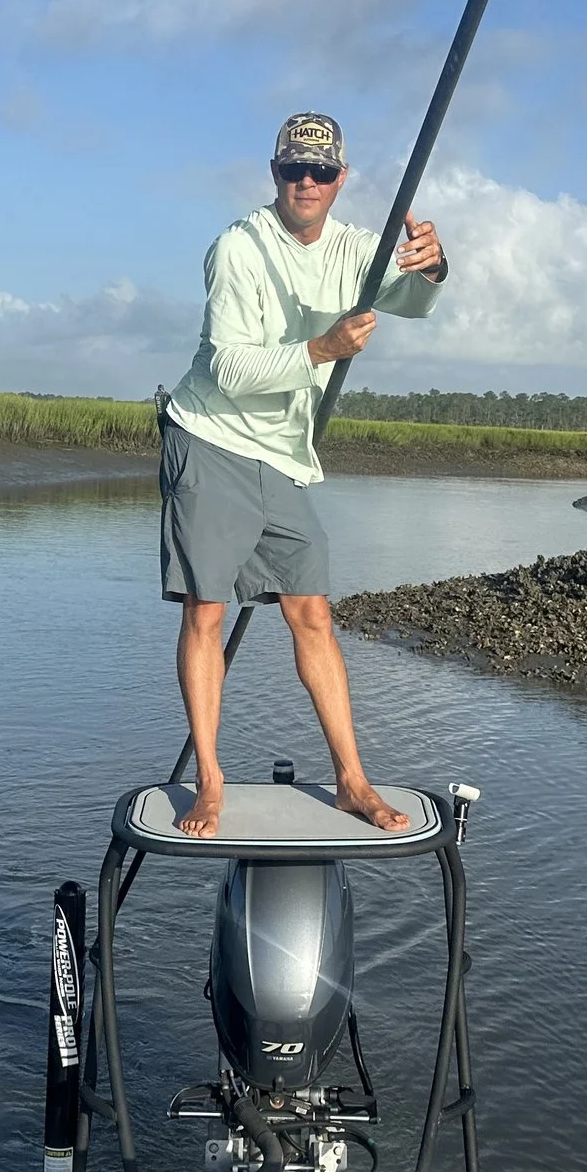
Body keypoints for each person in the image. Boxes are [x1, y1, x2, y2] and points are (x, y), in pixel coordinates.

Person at [158, 112, 449, 839]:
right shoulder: (238, 249)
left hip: (284, 453)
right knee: (207, 611)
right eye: (295, 170)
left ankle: (353, 779)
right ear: (276, 174)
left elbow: (413, 298)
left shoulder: (356, 250)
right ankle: (210, 781)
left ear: (341, 178)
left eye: (322, 171)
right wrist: (319, 349)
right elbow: (227, 367)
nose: (308, 183)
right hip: (213, 437)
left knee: (312, 610)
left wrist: (433, 263)